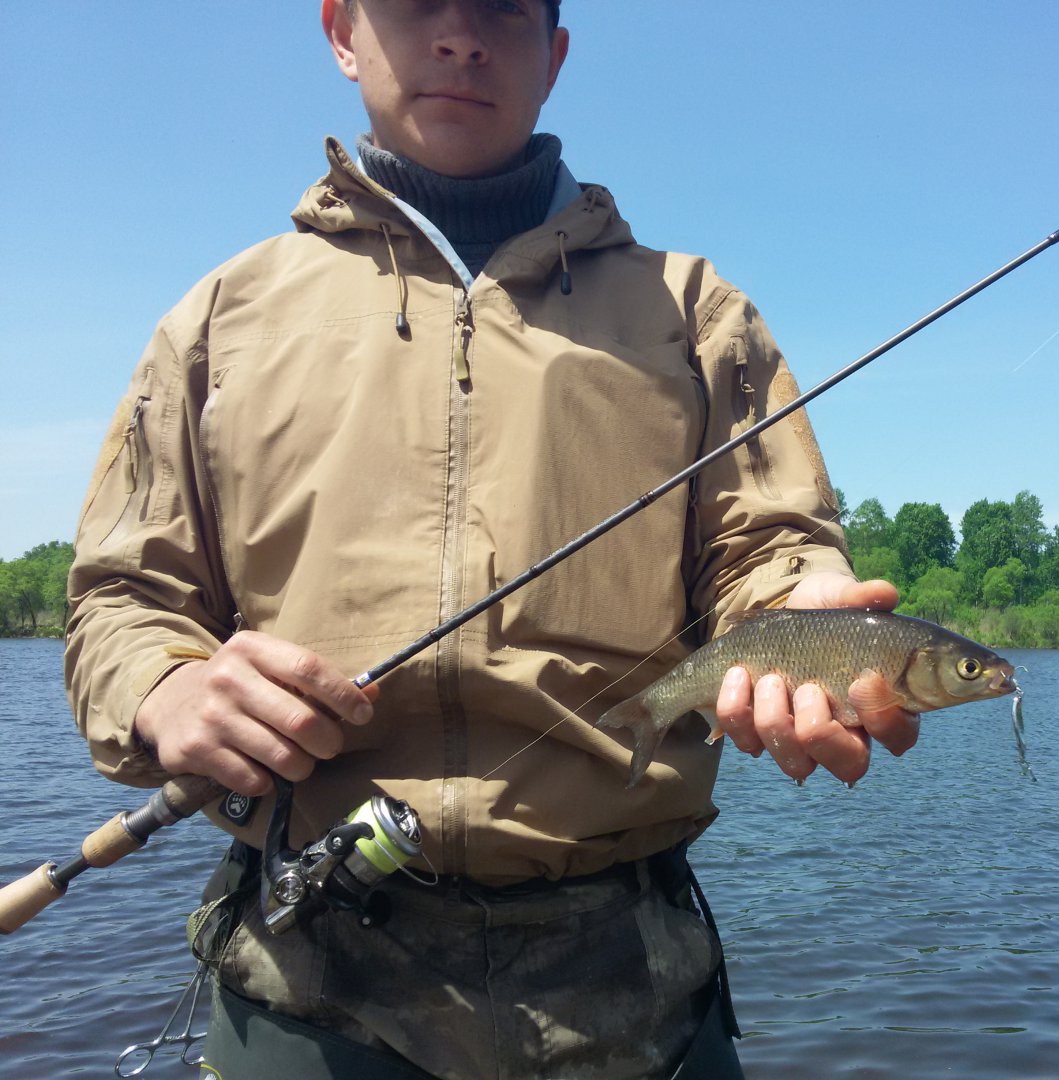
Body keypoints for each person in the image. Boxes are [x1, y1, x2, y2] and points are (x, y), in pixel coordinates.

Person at [65, 2, 918, 1076]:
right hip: (306, 971)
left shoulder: (696, 311)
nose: (461, 37)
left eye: (504, 11)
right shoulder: (217, 318)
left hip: (634, 974)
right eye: (417, 4)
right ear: (340, 31)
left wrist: (798, 613)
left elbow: (770, 550)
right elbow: (122, 598)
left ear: (554, 56)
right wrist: (164, 686)